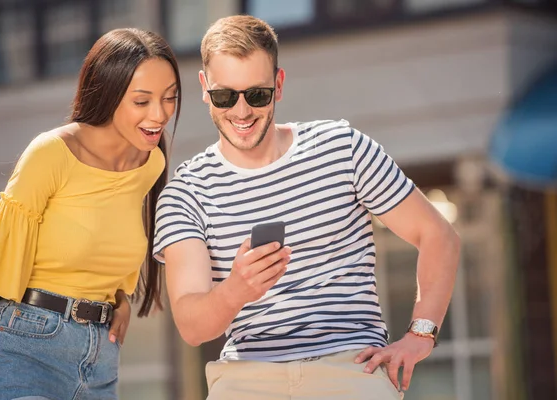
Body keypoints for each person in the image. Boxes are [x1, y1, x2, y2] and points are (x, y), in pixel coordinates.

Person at [153, 15, 460, 400]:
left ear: (278, 85)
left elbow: (438, 235)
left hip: (350, 367)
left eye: (257, 95)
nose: (242, 111)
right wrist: (236, 290)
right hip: (248, 378)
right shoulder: (186, 191)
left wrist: (421, 335)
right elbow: (192, 326)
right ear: (204, 88)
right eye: (225, 96)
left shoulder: (342, 148)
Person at [0, 28, 181, 400]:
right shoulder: (51, 153)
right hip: (28, 349)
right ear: (110, 94)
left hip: (100, 363)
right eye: (142, 101)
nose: (159, 115)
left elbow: (105, 248)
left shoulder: (150, 163)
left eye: (170, 98)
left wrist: (120, 301)